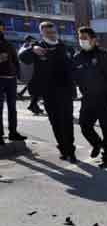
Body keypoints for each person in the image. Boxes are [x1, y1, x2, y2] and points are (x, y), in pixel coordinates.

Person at [19, 21, 76, 162]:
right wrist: (33, 49)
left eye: (52, 32)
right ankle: (63, 149)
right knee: (56, 122)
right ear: (42, 33)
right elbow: (22, 57)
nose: (51, 34)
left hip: (66, 90)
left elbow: (73, 64)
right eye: (47, 32)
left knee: (68, 121)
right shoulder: (38, 47)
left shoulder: (64, 46)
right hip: (49, 92)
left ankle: (70, 150)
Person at [73, 27, 107, 168]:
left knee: (106, 128)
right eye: (80, 38)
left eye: (85, 38)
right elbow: (73, 76)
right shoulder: (77, 57)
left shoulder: (103, 55)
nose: (82, 41)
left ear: (93, 40)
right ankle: (97, 143)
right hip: (87, 98)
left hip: (104, 98)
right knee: (84, 125)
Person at [0, 20, 26, 145]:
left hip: (11, 79)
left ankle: (13, 132)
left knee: (12, 108)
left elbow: (15, 60)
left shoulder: (8, 43)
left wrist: (18, 74)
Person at [18, 35, 44, 115]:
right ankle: (33, 106)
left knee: (36, 91)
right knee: (36, 91)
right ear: (28, 41)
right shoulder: (26, 48)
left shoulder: (26, 47)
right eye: (32, 40)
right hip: (31, 73)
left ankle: (34, 106)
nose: (34, 41)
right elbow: (24, 58)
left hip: (32, 72)